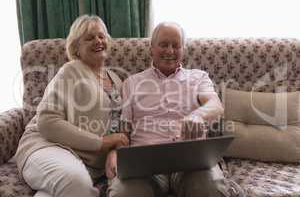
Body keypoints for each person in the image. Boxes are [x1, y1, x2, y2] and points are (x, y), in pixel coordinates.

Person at [105, 22, 244, 197]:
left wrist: (198, 115)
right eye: (163, 45)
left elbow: (215, 105)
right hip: (146, 164)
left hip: (192, 161)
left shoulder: (199, 77)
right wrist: (115, 153)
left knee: (212, 189)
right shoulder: (131, 83)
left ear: (183, 49)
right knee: (123, 193)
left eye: (176, 45)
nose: (170, 51)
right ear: (152, 48)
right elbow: (124, 132)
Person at [15, 15, 129, 197]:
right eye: (89, 38)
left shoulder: (116, 79)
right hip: (48, 146)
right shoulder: (71, 71)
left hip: (86, 163)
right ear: (76, 48)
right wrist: (101, 143)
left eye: (101, 36)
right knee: (76, 183)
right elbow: (47, 121)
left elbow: (120, 127)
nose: (98, 41)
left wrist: (114, 150)